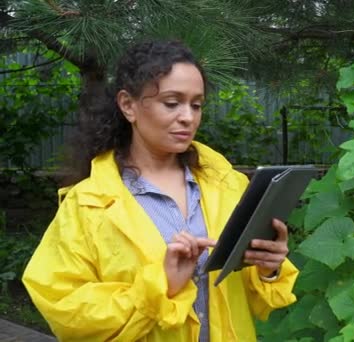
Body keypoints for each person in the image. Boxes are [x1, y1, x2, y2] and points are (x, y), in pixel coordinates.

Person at [22, 40, 299, 341]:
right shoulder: (89, 204)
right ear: (128, 105)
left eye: (196, 104)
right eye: (172, 102)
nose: (188, 117)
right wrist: (160, 286)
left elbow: (247, 296)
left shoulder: (228, 185)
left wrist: (268, 268)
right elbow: (64, 310)